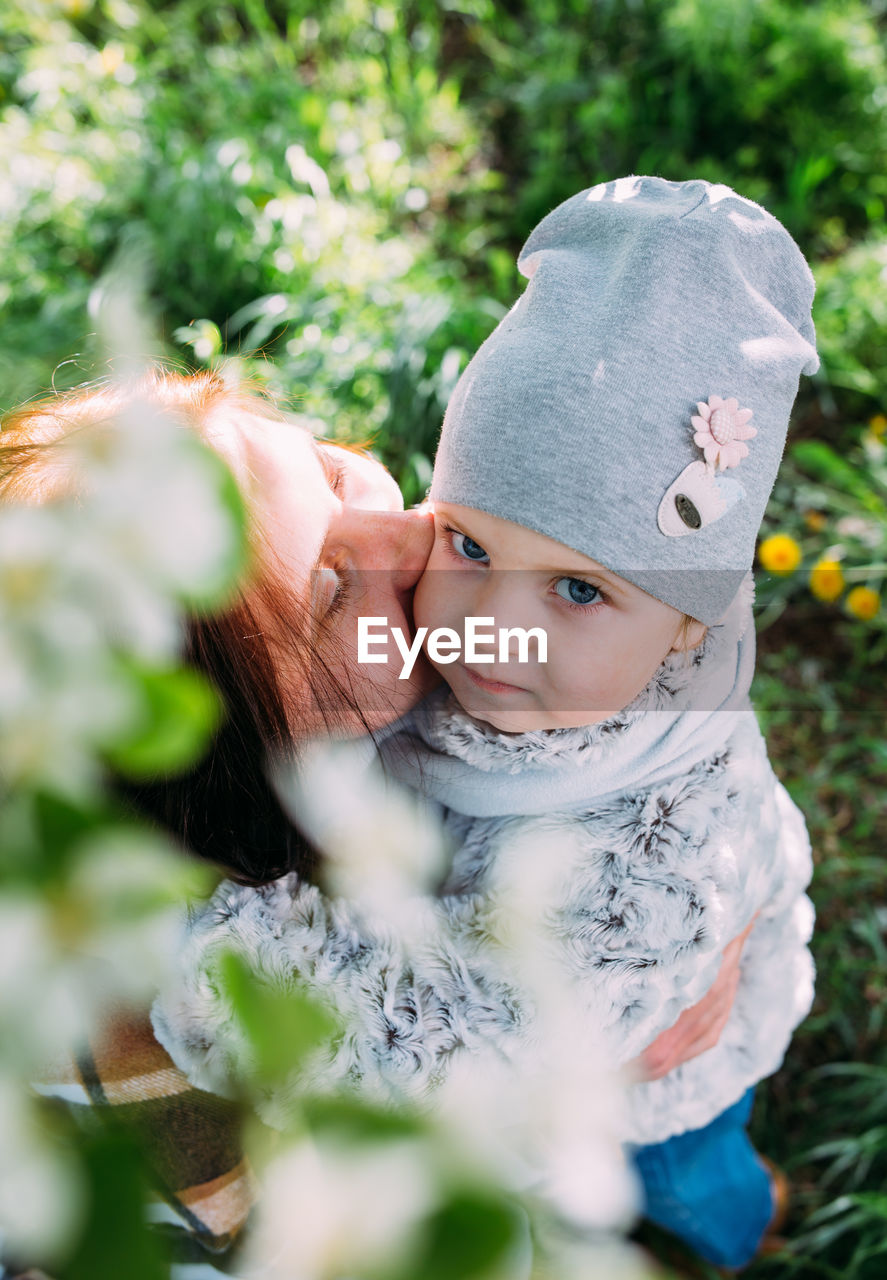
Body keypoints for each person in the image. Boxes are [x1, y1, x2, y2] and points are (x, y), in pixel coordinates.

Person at [156, 178, 816, 1271]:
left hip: (643, 1079)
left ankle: (738, 1227)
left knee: (680, 1186)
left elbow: (423, 1047)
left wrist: (195, 942)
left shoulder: (651, 862)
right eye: (467, 544)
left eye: (577, 590)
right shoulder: (515, 647)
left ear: (681, 629)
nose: (485, 627)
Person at [0, 368, 748, 1269]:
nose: (417, 531)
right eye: (328, 592)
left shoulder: (445, 637)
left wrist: (724, 887)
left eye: (324, 468)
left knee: (702, 1185)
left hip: (681, 1065)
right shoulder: (166, 996)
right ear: (233, 759)